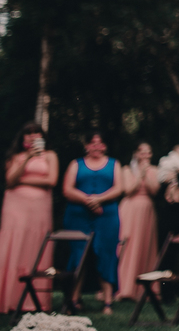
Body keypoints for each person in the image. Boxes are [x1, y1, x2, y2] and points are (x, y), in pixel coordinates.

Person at [62, 130, 124, 315]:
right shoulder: (76, 164)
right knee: (78, 256)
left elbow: (119, 188)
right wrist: (88, 200)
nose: (96, 146)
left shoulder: (114, 164)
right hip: (78, 216)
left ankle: (107, 301)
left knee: (106, 254)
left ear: (105, 146)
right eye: (92, 143)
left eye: (100, 143)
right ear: (86, 145)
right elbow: (67, 189)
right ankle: (74, 299)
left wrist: (100, 199)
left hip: (107, 216)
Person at [0, 122, 58, 313]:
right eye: (28, 134)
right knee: (14, 246)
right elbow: (9, 180)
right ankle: (9, 299)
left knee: (36, 245)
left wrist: (21, 180)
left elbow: (51, 180)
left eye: (36, 133)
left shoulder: (50, 155)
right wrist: (26, 159)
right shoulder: (15, 156)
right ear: (22, 138)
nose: (32, 137)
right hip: (15, 209)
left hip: (39, 209)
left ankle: (35, 301)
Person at [116, 142, 160, 301]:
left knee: (144, 246)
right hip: (129, 210)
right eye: (142, 152)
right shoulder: (127, 169)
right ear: (136, 153)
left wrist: (146, 174)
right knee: (127, 247)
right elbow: (128, 190)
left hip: (147, 210)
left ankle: (143, 289)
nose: (145, 155)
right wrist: (140, 174)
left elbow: (154, 190)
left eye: (148, 152)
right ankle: (124, 288)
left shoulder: (154, 170)